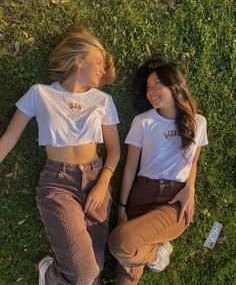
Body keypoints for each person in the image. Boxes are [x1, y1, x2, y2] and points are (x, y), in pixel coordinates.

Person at [0, 28, 120, 285]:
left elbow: (115, 150)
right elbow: (8, 140)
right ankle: (50, 274)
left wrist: (102, 184)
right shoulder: (40, 94)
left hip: (96, 179)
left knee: (94, 274)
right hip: (58, 182)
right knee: (86, 274)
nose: (102, 68)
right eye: (98, 61)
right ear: (78, 59)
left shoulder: (104, 101)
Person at [108, 57, 208, 284]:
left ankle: (155, 253)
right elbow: (130, 167)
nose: (150, 91)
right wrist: (122, 207)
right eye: (147, 87)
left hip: (174, 202)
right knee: (125, 276)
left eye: (156, 84)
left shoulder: (198, 122)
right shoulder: (143, 121)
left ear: (174, 85)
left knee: (120, 242)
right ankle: (155, 254)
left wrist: (190, 189)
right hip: (141, 194)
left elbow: (194, 162)